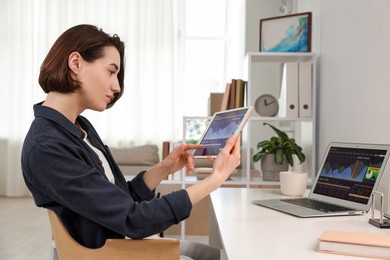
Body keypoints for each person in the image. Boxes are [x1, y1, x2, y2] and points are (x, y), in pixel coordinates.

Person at [21, 24, 241, 260]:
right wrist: (215, 178)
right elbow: (133, 219)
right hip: (112, 253)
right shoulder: (46, 147)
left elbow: (118, 198)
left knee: (213, 254)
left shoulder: (79, 127)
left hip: (120, 244)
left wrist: (164, 168)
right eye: (111, 71)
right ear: (76, 63)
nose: (116, 87)